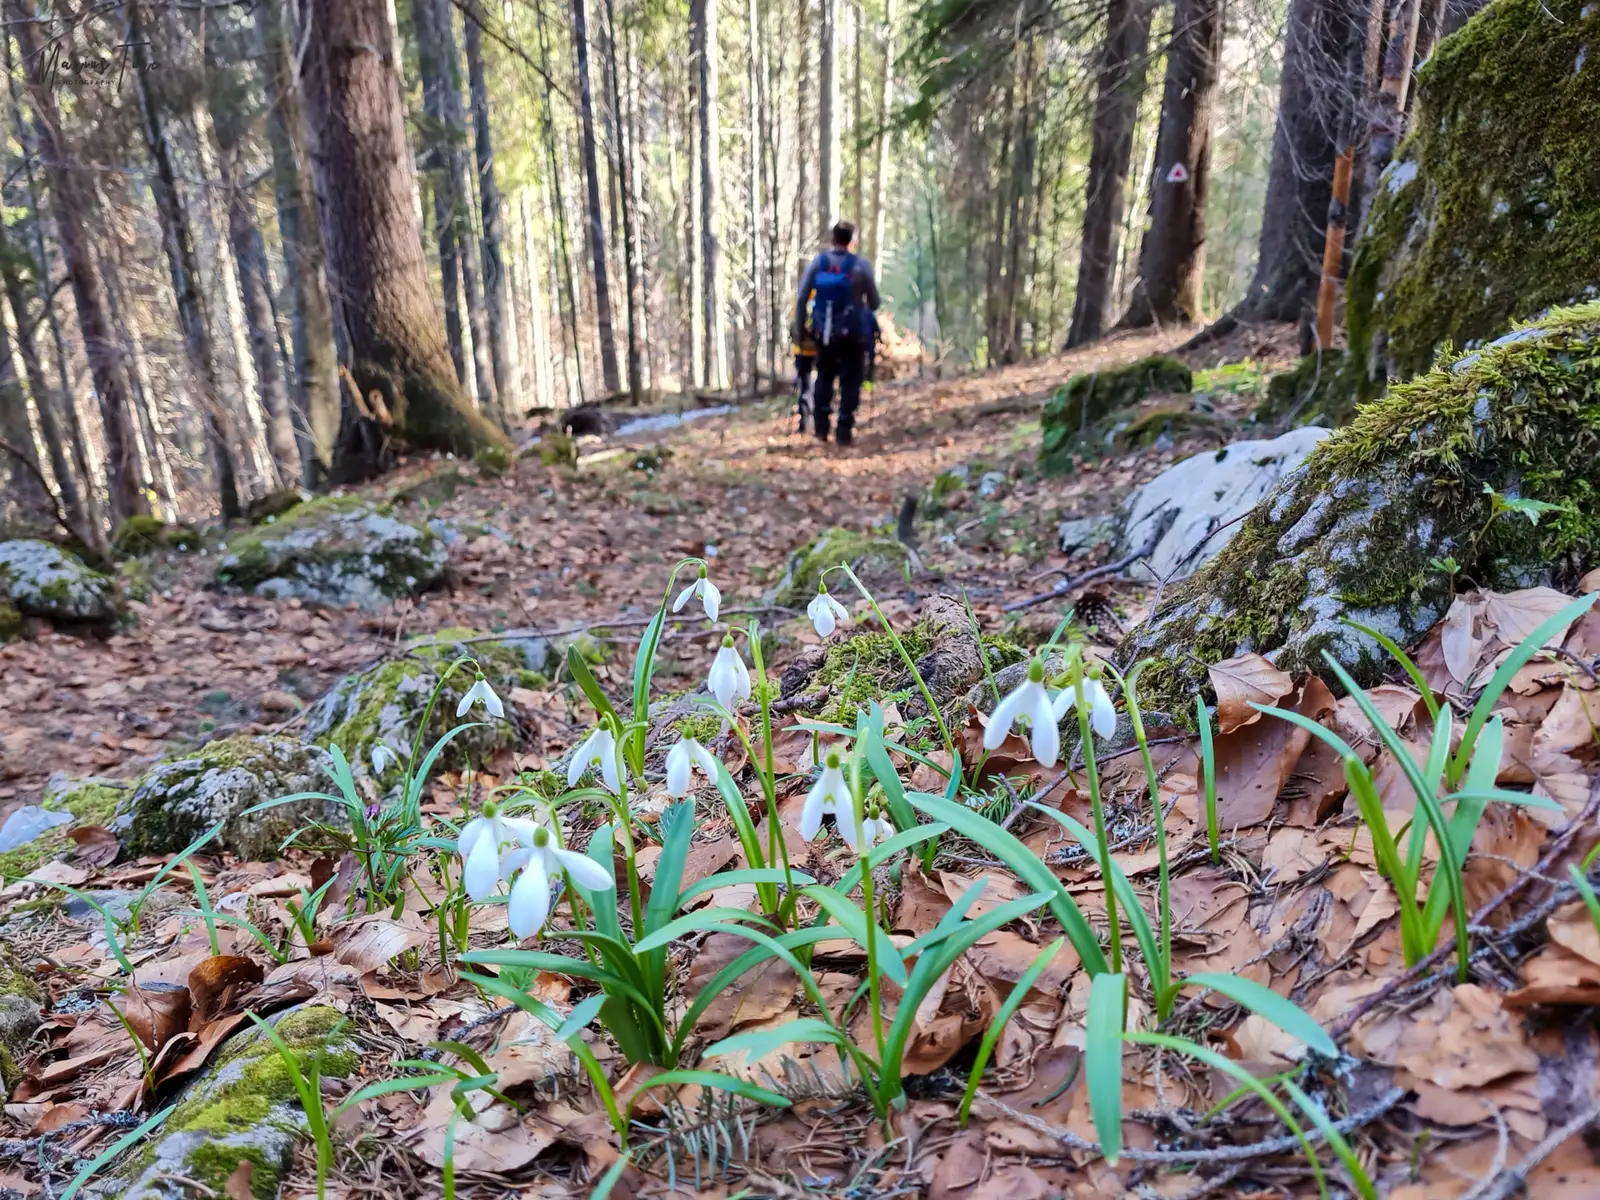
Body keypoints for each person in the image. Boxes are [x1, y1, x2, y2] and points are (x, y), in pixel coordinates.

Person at [793, 221, 880, 446]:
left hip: (824, 334)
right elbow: (875, 302)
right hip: (853, 335)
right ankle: (844, 428)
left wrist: (801, 328)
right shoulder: (861, 266)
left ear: (833, 239)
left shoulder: (818, 263)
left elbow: (802, 297)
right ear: (853, 241)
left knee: (824, 376)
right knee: (851, 380)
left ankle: (822, 426)